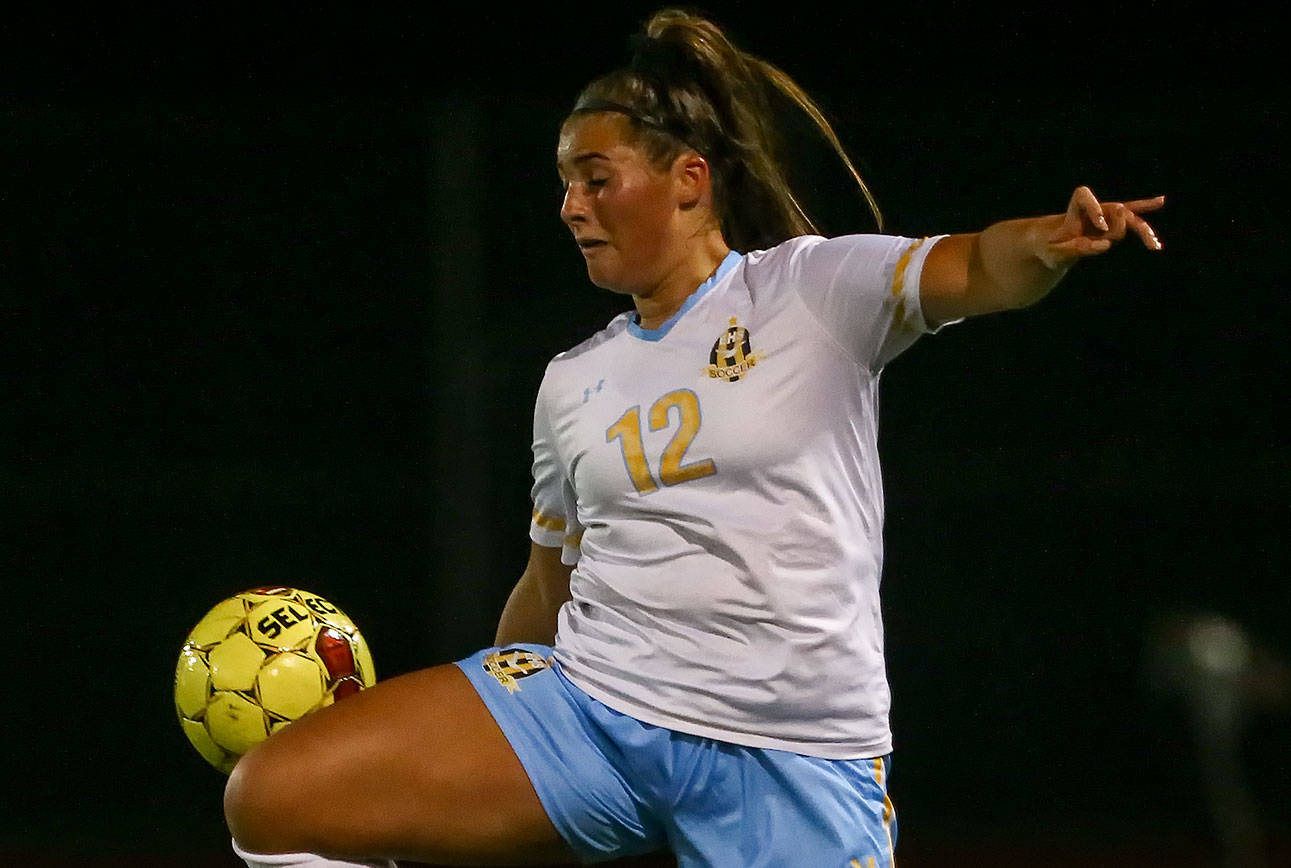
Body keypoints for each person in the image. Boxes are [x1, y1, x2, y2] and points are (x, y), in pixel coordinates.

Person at [223, 8, 1163, 867]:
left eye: (596, 180)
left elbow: (974, 266)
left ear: (689, 181)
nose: (570, 206)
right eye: (563, 184)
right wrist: (469, 723)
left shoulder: (810, 291)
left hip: (792, 751)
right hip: (595, 709)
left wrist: (1045, 244)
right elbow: (550, 584)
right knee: (279, 795)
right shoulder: (571, 381)